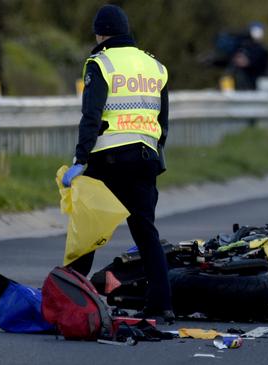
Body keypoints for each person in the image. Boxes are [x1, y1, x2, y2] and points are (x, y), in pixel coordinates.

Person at [61, 4, 174, 323]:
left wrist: (80, 158)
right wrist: (155, 152)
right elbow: (163, 121)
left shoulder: (100, 63)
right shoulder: (155, 66)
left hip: (108, 158)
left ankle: (74, 299)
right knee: (146, 233)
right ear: (125, 30)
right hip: (146, 157)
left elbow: (91, 116)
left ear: (99, 33)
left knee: (88, 230)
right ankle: (161, 305)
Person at [227, 21, 268, 90]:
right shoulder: (246, 47)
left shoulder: (262, 51)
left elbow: (245, 62)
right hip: (244, 86)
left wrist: (237, 58)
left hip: (256, 87)